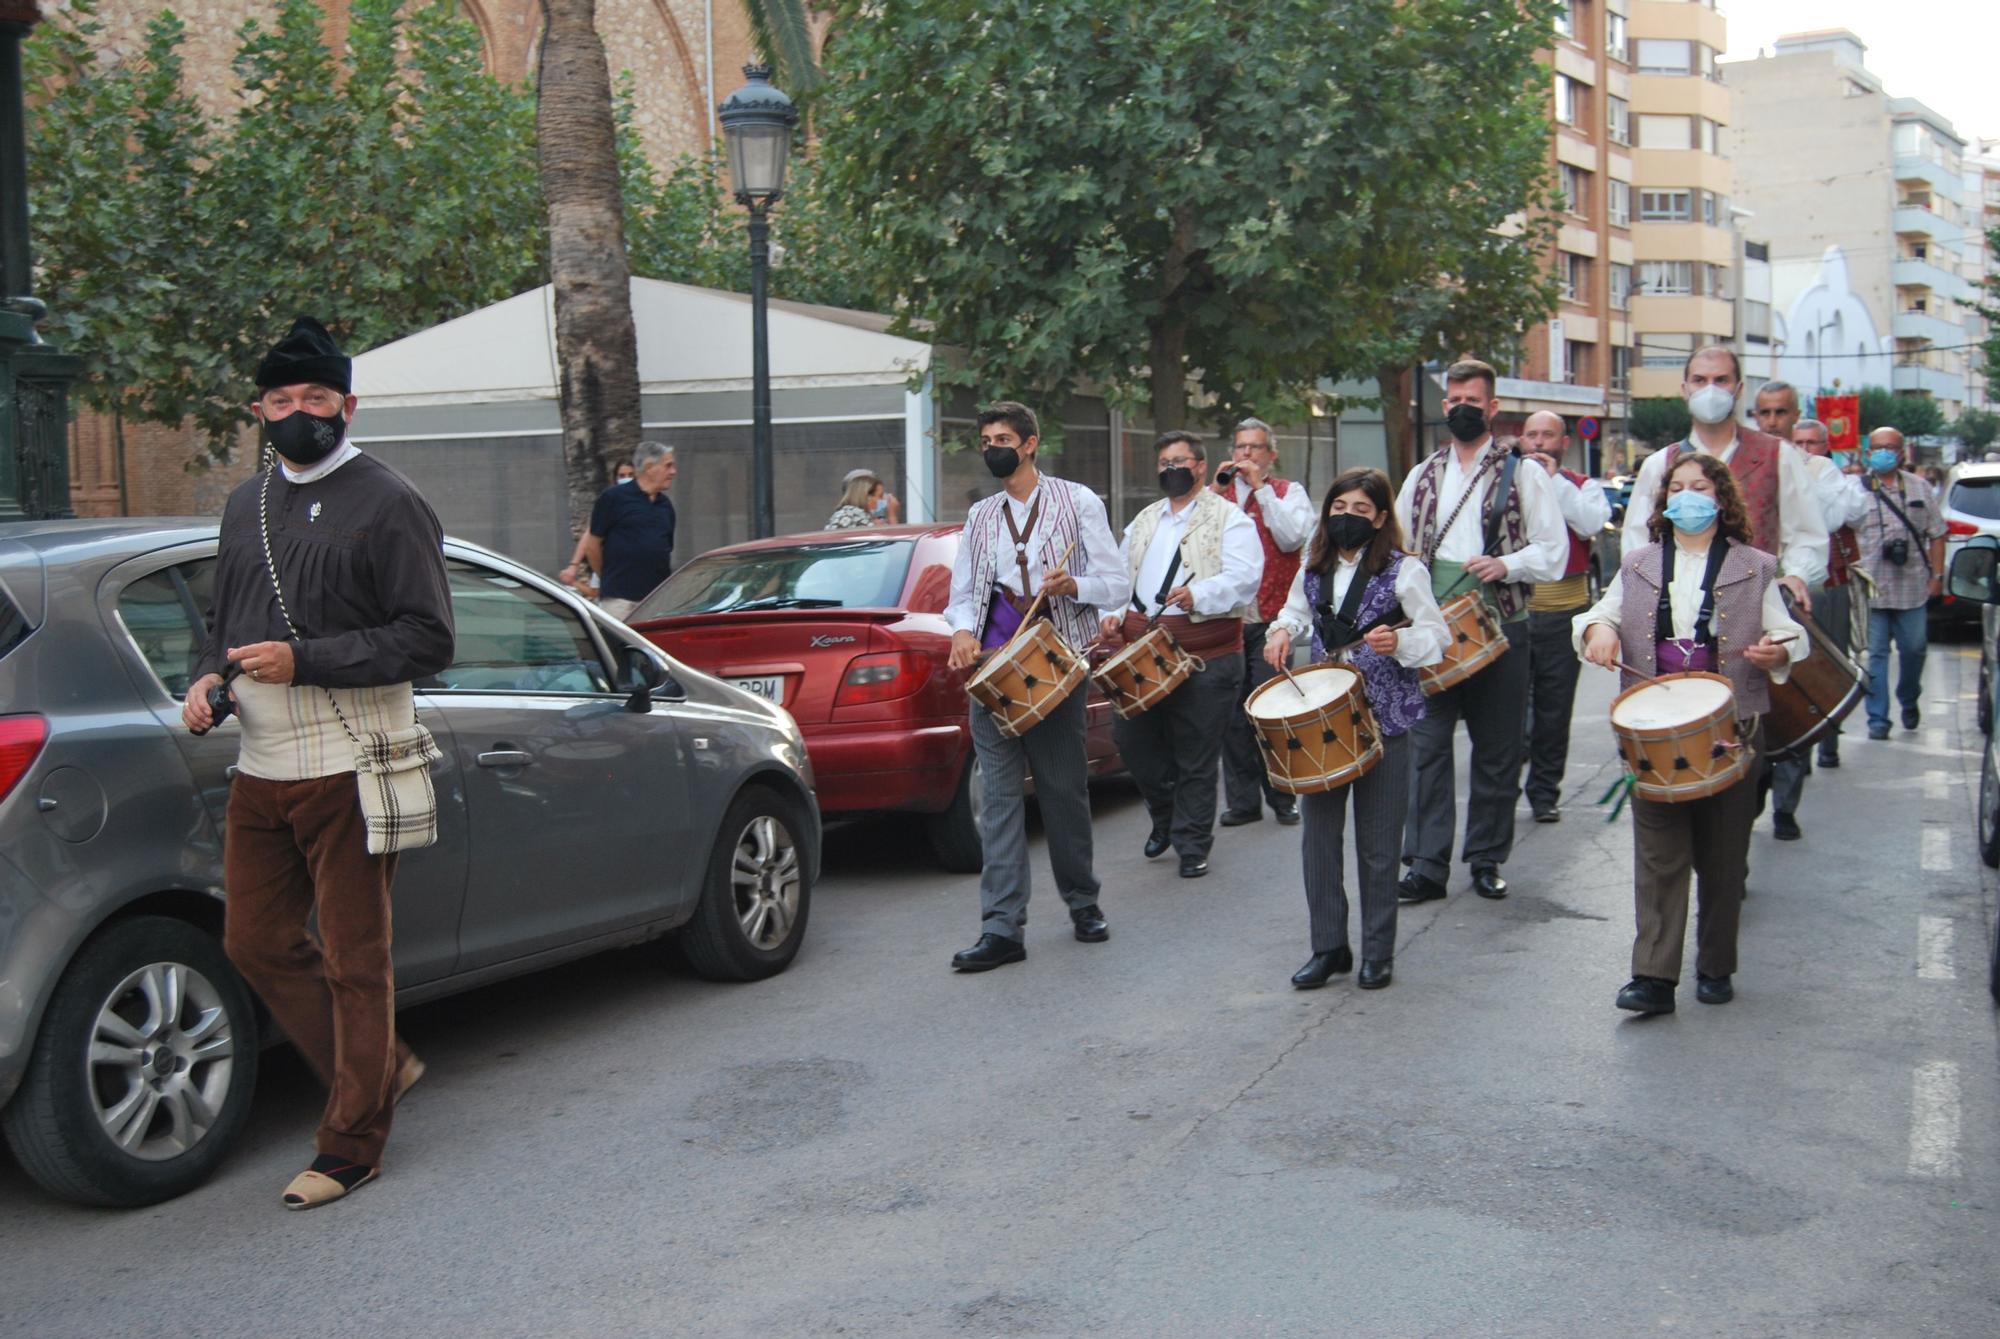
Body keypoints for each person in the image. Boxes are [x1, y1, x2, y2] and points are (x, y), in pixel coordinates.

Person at [181, 316, 455, 1209]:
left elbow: (428, 637)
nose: (300, 413)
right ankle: (376, 1066)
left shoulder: (390, 501)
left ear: (348, 405)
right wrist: (206, 682)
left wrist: (307, 660)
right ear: (259, 408)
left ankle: (352, 1141)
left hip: (350, 757)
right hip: (261, 760)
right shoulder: (243, 503)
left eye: (317, 399)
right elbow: (224, 625)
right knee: (253, 939)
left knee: (355, 956)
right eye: (283, 400)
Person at [1575, 451, 1806, 1014]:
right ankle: (1653, 977)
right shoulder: (1639, 564)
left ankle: (1715, 966)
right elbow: (1597, 614)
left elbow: (1790, 634)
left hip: (1729, 725)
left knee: (1723, 855)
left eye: (1700, 486)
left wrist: (1777, 650)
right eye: (1677, 487)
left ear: (1721, 500)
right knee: (1659, 853)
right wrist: (1599, 632)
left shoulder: (1755, 566)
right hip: (1652, 730)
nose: (1688, 496)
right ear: (1663, 502)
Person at [943, 402, 1128, 971]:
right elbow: (966, 592)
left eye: (1003, 438)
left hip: (1057, 665)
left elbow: (1116, 582)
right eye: (986, 439)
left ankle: (1082, 902)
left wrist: (1074, 582)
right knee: (998, 799)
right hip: (996, 669)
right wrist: (960, 634)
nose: (993, 446)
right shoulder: (980, 516)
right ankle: (1001, 928)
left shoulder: (1078, 501)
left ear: (1030, 444)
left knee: (1062, 790)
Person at [1266, 468, 1448, 990]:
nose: (1347, 518)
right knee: (1318, 839)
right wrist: (1280, 631)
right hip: (1323, 717)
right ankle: (1328, 948)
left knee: (1378, 842)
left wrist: (1403, 645)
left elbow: (1437, 637)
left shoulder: (1404, 570)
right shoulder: (1313, 565)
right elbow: (1294, 612)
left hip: (1385, 716)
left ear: (1381, 518)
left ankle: (1378, 952)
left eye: (1361, 511)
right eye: (1339, 508)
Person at [1395, 361, 1569, 904]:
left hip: (1501, 623)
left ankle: (1487, 858)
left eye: (1473, 399)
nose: (1461, 407)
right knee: (1426, 747)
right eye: (1453, 400)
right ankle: (1426, 864)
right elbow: (1397, 546)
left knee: (1496, 750)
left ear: (1492, 408)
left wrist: (1508, 566)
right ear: (1444, 406)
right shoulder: (1422, 473)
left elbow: (1554, 552)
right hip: (1432, 629)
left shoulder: (1524, 473)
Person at [1101, 431, 1263, 879]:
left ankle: (1192, 844)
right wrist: (1112, 613)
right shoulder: (1145, 519)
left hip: (1205, 654)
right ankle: (1165, 813)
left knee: (1195, 753)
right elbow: (1120, 577)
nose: (1169, 468)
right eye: (1163, 462)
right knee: (1132, 741)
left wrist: (1201, 594)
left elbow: (1245, 578)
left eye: (1179, 461)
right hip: (1142, 653)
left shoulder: (1230, 518)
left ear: (1199, 466)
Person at [1622, 348, 1828, 606]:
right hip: (1678, 612)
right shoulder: (1660, 464)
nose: (1710, 390)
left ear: (1739, 389)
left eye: (1721, 380)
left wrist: (1798, 574)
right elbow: (1638, 542)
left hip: (1756, 608)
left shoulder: (1779, 456)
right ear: (1685, 389)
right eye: (1700, 380)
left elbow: (1806, 531)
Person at [1764, 409, 1872, 838]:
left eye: (1811, 443)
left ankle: (1786, 803)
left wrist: (1802, 473)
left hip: (1808, 590)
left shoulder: (1825, 473)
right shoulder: (1751, 470)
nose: (1802, 449)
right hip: (1747, 593)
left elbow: (1829, 523)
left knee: (1800, 683)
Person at [1214, 417, 1314, 828]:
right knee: (1232, 715)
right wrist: (1219, 493)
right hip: (1228, 620)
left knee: (1271, 709)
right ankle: (1243, 802)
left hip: (1271, 619)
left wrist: (1260, 491)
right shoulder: (1215, 495)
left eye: (1255, 448)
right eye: (1240, 448)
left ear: (1270, 455)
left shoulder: (1289, 493)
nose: (1246, 456)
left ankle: (1283, 795)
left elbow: (1292, 538)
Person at [1519, 412, 1612, 823]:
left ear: (1564, 443)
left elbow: (1590, 522)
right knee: (1510, 707)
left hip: (1563, 613)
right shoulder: (1506, 484)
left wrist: (1552, 481)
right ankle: (1506, 785)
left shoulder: (1580, 486)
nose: (1539, 443)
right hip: (1515, 613)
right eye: (1532, 435)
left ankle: (1544, 792)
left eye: (1547, 436)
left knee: (1555, 710)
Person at [1855, 427, 1945, 741]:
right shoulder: (1854, 490)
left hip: (1913, 587)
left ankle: (1909, 698)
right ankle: (1877, 720)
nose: (1883, 453)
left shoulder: (1920, 488)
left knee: (1914, 649)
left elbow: (1937, 535)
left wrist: (1937, 577)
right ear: (1868, 453)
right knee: (1875, 655)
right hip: (1871, 588)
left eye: (1890, 447)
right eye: (1877, 447)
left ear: (1902, 452)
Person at [563, 441, 678, 620]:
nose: (673, 472)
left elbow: (666, 548)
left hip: (655, 601)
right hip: (619, 600)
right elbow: (593, 545)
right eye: (668, 466)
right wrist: (608, 576)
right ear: (649, 467)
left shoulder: (666, 506)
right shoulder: (613, 498)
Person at [827, 468, 898, 529]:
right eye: (880, 496)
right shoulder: (848, 516)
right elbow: (891, 542)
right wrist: (892, 516)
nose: (883, 500)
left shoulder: (864, 515)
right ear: (866, 497)